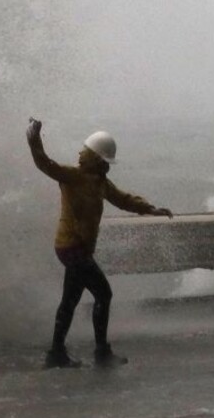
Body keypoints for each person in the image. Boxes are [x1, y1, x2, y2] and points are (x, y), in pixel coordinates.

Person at [26, 118, 173, 369]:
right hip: (72, 248)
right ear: (96, 158)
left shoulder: (99, 183)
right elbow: (44, 163)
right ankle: (100, 353)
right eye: (105, 161)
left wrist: (151, 209)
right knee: (103, 294)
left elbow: (123, 199)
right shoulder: (73, 177)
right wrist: (34, 138)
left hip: (76, 249)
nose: (108, 166)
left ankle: (56, 353)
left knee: (70, 300)